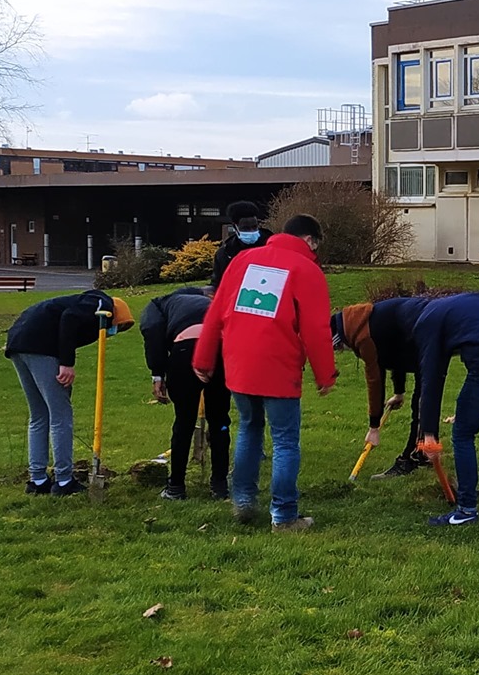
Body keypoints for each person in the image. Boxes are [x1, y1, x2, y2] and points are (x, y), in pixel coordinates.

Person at [193, 214, 337, 532]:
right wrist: (325, 374)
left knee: (249, 428)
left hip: (239, 364)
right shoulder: (307, 270)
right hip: (278, 365)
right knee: (285, 440)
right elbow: (316, 328)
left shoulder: (244, 259)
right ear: (310, 240)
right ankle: (284, 517)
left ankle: (243, 500)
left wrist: (203, 359)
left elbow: (216, 310)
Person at [380, 291, 479, 526]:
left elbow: (431, 379)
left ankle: (466, 510)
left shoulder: (426, 322)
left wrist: (428, 435)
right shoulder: (473, 300)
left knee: (463, 434)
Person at [2, 288, 135, 496]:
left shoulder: (78, 303)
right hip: (41, 346)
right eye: (117, 326)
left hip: (18, 343)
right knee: (60, 416)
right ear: (116, 314)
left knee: (39, 415)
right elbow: (70, 318)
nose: (112, 332)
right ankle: (64, 481)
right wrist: (66, 363)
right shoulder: (102, 303)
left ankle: (37, 480)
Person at [141, 284, 228, 502]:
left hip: (184, 349)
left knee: (184, 422)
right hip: (220, 349)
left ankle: (176, 487)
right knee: (219, 421)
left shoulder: (157, 304)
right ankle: (220, 486)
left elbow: (152, 332)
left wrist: (157, 374)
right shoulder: (208, 301)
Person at [331, 299, 424, 475]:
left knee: (421, 405)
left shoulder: (365, 336)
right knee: (421, 404)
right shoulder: (360, 320)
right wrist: (399, 392)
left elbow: (375, 378)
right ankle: (420, 452)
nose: (341, 351)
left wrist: (374, 428)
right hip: (418, 345)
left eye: (338, 347)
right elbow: (395, 355)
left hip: (429, 341)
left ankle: (411, 459)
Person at [209, 200, 269, 287]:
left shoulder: (271, 246)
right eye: (246, 228)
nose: (252, 231)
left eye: (254, 227)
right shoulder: (224, 254)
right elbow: (217, 284)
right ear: (235, 227)